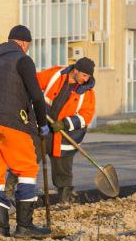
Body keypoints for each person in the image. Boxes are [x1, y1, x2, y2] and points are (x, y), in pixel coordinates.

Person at [0, 25, 60, 238]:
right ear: (23, 43)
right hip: (10, 122)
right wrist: (42, 124)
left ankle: (1, 229)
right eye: (27, 47)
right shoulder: (22, 59)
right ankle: (24, 226)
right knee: (27, 169)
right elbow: (37, 96)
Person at [37, 57, 96, 206]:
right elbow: (35, 82)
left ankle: (65, 200)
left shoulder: (87, 93)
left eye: (88, 76)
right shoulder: (55, 74)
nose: (86, 79)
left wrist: (64, 124)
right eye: (84, 75)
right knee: (27, 158)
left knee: (62, 170)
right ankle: (13, 191)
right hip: (43, 128)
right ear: (75, 70)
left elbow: (85, 116)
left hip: (65, 136)